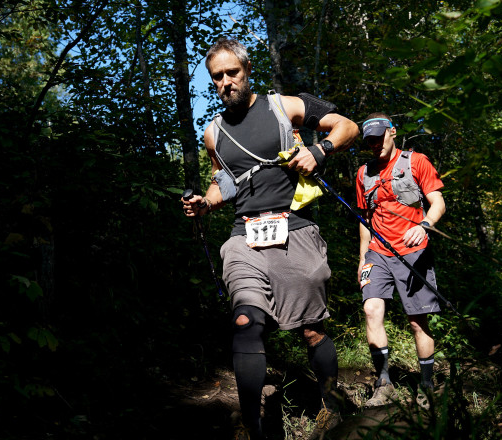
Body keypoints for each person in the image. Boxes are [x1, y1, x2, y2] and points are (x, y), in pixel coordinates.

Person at [182, 37, 359, 440]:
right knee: (246, 322)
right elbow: (223, 183)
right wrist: (204, 204)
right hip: (243, 236)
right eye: (217, 77)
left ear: (247, 71)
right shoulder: (214, 133)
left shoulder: (284, 106)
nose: (226, 81)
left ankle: (332, 407)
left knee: (312, 329)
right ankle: (253, 427)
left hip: (294, 230)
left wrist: (321, 150)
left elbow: (347, 126)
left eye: (232, 72)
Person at [355, 113, 446, 410]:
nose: (375, 144)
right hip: (378, 253)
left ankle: (427, 384)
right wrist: (362, 258)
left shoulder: (415, 161)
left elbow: (438, 202)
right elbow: (365, 219)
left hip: (413, 252)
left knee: (418, 322)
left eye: (379, 137)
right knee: (371, 309)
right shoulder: (363, 173)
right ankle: (384, 384)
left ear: (392, 132)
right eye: (369, 140)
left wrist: (424, 225)